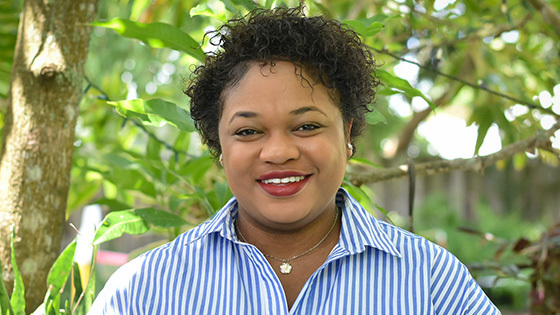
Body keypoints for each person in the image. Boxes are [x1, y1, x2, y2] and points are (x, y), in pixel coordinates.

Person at [89, 6, 501, 314]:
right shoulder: (144, 290)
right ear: (219, 147)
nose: (279, 152)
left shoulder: (429, 280)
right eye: (248, 131)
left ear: (349, 133)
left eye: (306, 127)